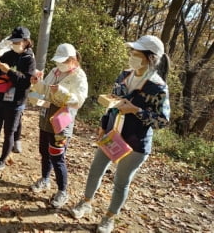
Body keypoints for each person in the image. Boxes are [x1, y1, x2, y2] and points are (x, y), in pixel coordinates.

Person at [70, 35, 171, 233]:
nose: (131, 57)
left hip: (136, 143)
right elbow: (112, 101)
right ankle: (86, 202)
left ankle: (109, 217)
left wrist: (136, 110)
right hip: (112, 134)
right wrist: (103, 125)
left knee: (121, 182)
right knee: (96, 169)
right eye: (132, 53)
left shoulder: (158, 87)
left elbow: (162, 121)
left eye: (136, 54)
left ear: (150, 58)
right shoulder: (124, 75)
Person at [29, 43, 88, 208]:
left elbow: (79, 101)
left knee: (57, 156)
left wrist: (62, 92)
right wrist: (37, 83)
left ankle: (62, 191)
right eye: (58, 61)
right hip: (46, 115)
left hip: (62, 120)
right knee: (44, 151)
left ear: (72, 60)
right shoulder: (54, 71)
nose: (59, 64)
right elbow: (45, 89)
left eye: (63, 61)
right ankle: (45, 179)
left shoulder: (79, 76)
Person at [0, 26, 36, 173]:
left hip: (15, 103)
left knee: (9, 132)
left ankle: (2, 160)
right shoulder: (9, 54)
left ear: (26, 42)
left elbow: (25, 82)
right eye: (13, 41)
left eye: (17, 41)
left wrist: (8, 71)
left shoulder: (30, 60)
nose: (14, 44)